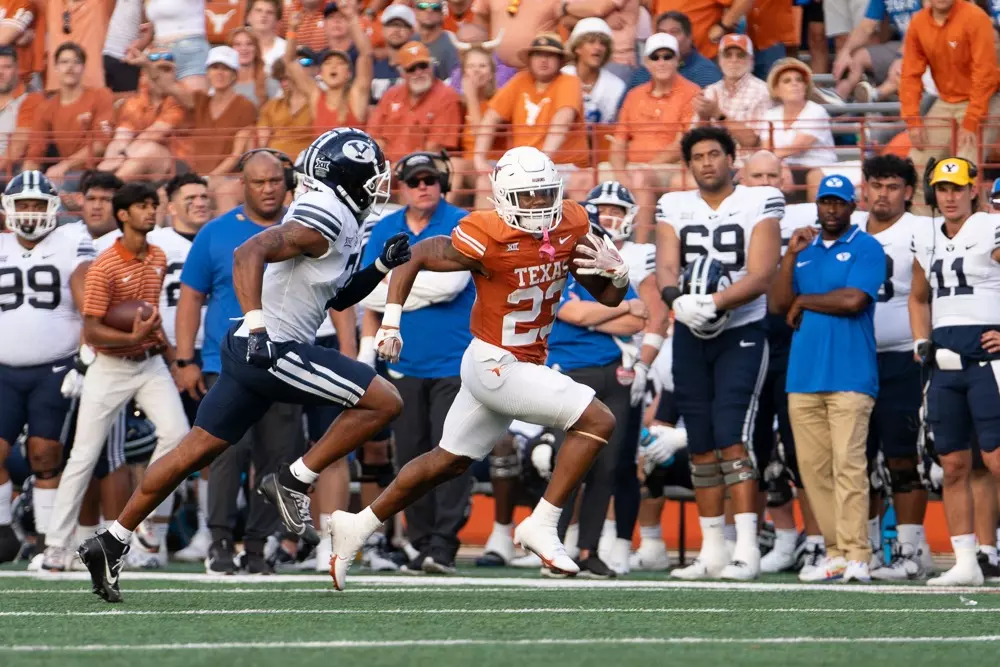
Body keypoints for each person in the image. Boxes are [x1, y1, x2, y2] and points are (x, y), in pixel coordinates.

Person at [79, 128, 410, 602]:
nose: (379, 185)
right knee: (385, 401)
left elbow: (333, 296)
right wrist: (258, 329)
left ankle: (112, 539)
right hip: (270, 344)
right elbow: (248, 251)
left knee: (191, 452)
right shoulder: (327, 214)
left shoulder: (342, 217)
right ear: (347, 178)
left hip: (256, 343)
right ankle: (294, 480)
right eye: (371, 176)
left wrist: (377, 269)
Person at [326, 145, 629, 590]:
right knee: (598, 419)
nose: (538, 205)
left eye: (545, 194)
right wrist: (391, 321)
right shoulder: (485, 232)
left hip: (514, 363)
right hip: (496, 363)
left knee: (445, 462)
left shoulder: (570, 223)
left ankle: (357, 525)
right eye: (527, 196)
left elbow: (607, 299)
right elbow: (418, 253)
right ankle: (542, 523)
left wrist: (617, 276)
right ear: (504, 196)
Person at [655, 126, 784, 581]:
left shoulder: (758, 200)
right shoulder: (674, 204)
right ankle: (712, 549)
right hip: (690, 332)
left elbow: (763, 271)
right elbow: (667, 264)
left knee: (735, 438)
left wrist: (714, 302)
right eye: (698, 157)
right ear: (688, 164)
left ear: (732, 159)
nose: (707, 163)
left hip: (741, 331)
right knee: (702, 444)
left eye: (715, 154)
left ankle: (746, 547)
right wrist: (677, 300)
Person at [41, 183, 191, 571]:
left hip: (149, 361)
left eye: (153, 205)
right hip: (109, 365)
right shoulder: (105, 264)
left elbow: (150, 317)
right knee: (83, 455)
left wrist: (174, 360)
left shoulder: (158, 256)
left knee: (177, 436)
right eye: (143, 206)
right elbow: (91, 330)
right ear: (123, 214)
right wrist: (132, 335)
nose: (150, 212)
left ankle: (135, 518)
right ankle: (56, 545)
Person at [173, 150, 306, 574]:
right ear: (243, 186)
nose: (268, 190)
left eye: (274, 181)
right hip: (226, 359)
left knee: (278, 456)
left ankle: (257, 545)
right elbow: (191, 297)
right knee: (228, 451)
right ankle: (219, 541)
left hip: (286, 359)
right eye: (258, 182)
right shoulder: (214, 233)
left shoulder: (304, 227)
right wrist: (184, 358)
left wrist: (344, 347)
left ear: (286, 182)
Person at [359, 151, 476, 574]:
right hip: (401, 361)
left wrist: (393, 291)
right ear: (402, 186)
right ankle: (420, 541)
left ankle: (444, 543)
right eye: (414, 180)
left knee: (451, 453)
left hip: (456, 360)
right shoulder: (387, 227)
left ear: (442, 182)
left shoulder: (461, 220)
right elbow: (365, 293)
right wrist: (365, 351)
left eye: (430, 179)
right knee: (408, 454)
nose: (423, 186)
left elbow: (452, 284)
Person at [771, 175, 886, 583]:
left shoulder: (868, 247)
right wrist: (788, 255)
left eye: (839, 202)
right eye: (825, 202)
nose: (831, 209)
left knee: (849, 468)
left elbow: (854, 300)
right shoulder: (804, 250)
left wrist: (805, 300)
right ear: (816, 205)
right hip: (802, 377)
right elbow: (778, 303)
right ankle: (836, 552)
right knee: (814, 472)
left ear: (852, 206)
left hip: (851, 376)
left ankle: (858, 553)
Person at [910, 157, 1000, 586]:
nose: (949, 196)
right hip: (945, 363)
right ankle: (966, 563)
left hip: (989, 361)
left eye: (957, 188)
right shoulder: (925, 237)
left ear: (972, 190)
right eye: (942, 189)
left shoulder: (991, 225)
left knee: (997, 458)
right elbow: (918, 296)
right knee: (953, 463)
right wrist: (919, 339)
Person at [0, 172, 95, 563]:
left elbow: (87, 288)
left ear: (53, 208)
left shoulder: (72, 239)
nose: (30, 212)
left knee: (45, 452)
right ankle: (4, 532)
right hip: (3, 368)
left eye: (37, 204)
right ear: (8, 208)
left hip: (54, 366)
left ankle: (47, 538)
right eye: (23, 204)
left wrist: (86, 349)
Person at [742, 150, 825, 576]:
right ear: (744, 177)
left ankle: (815, 541)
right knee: (748, 448)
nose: (765, 180)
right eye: (757, 174)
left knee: (801, 447)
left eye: (773, 174)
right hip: (742, 339)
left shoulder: (809, 216)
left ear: (787, 179)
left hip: (793, 340)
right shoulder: (728, 214)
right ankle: (755, 538)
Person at [854, 156, 934, 581]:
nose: (882, 193)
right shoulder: (848, 228)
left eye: (892, 186)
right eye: (876, 185)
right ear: (864, 188)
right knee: (858, 459)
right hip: (855, 358)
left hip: (905, 356)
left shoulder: (923, 229)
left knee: (903, 457)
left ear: (908, 191)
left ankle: (909, 550)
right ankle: (864, 549)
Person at [584, 180, 669, 574]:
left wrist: (644, 364)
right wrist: (614, 318)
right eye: (602, 209)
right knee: (577, 457)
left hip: (628, 365)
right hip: (583, 361)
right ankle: (580, 540)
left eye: (617, 210)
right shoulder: (580, 251)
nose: (609, 216)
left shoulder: (640, 254)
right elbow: (573, 315)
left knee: (621, 461)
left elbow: (654, 315)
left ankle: (619, 541)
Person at [901, 0, 1000, 214]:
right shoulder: (918, 23)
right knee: (916, 166)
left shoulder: (975, 18)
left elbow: (986, 74)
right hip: (946, 100)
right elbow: (910, 74)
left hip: (986, 98)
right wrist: (913, 120)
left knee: (965, 168)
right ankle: (927, 229)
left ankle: (968, 231)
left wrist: (972, 119)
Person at [612, 33, 699, 237]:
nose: (661, 62)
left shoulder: (692, 92)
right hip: (633, 167)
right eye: (655, 57)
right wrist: (622, 174)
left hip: (671, 167)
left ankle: (640, 247)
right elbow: (618, 143)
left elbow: (683, 143)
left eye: (667, 56)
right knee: (582, 179)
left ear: (678, 60)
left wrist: (646, 168)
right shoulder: (634, 95)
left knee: (641, 177)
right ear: (646, 62)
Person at [23, 43, 115, 185]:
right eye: (64, 62)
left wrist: (64, 166)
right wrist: (24, 181)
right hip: (68, 173)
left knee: (56, 189)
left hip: (100, 172)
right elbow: (35, 151)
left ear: (84, 68)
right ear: (55, 67)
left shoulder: (101, 95)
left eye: (76, 62)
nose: (70, 67)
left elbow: (101, 144)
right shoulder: (46, 107)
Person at [367, 41, 463, 163]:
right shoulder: (390, 95)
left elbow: (434, 149)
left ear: (431, 66)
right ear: (402, 72)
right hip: (386, 168)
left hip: (426, 169)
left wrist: (397, 169)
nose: (418, 73)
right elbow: (374, 138)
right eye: (411, 69)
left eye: (423, 66)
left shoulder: (447, 97)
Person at [760, 58, 838, 203]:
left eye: (799, 80)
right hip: (783, 167)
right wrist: (781, 165)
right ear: (776, 90)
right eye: (787, 81)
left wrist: (776, 160)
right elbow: (766, 149)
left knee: (812, 176)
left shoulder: (816, 111)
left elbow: (799, 147)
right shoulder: (770, 114)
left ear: (805, 86)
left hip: (817, 167)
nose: (794, 83)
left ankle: (814, 222)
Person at [692, 34, 771, 151]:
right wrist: (704, 117)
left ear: (751, 60)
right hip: (714, 162)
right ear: (719, 59)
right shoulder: (711, 90)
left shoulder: (763, 91)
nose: (734, 60)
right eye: (728, 55)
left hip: (748, 163)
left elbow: (752, 141)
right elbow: (694, 140)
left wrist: (718, 115)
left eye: (740, 55)